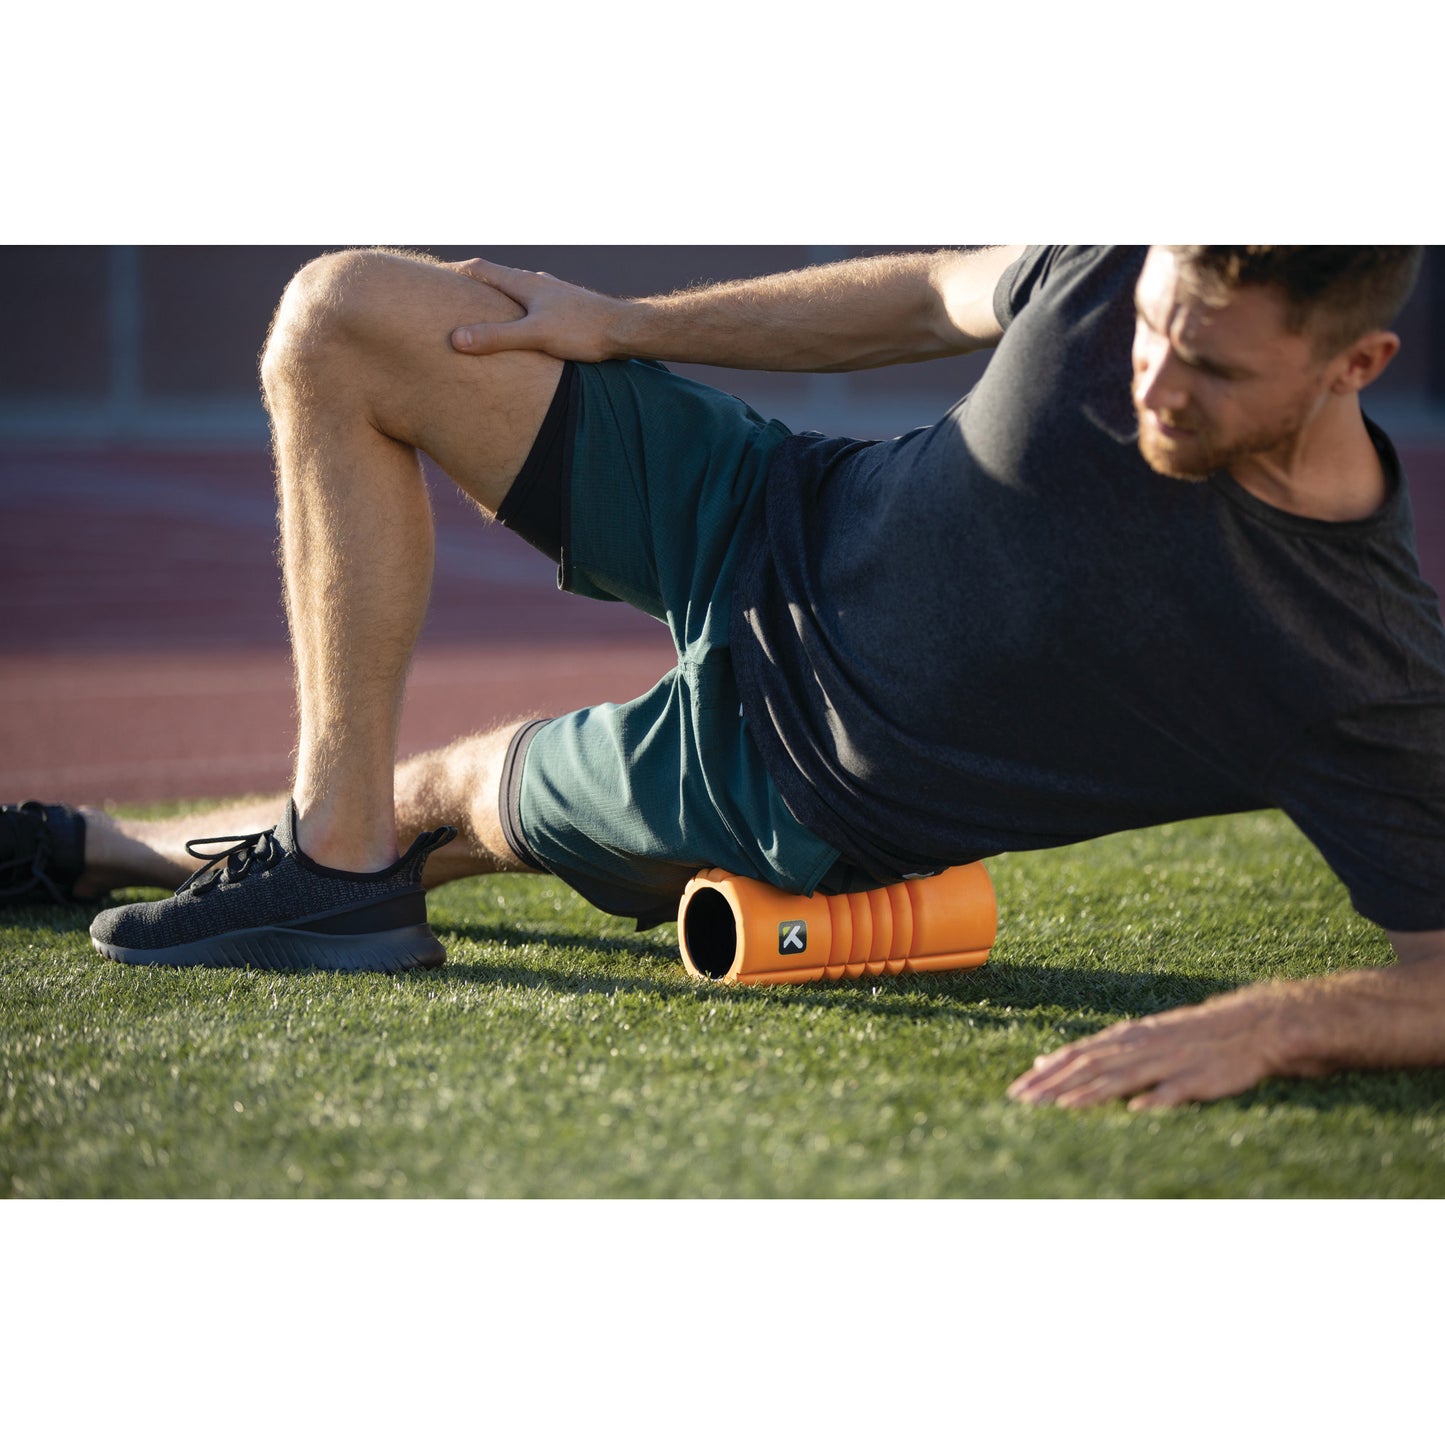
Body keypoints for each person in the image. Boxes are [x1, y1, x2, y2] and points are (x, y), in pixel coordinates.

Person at [4, 244, 1443, 1111]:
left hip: (789, 774)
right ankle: (322, 858)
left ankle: (113, 850)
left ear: (1354, 361)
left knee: (440, 793)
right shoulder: (1128, 268)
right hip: (764, 502)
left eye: (1203, 370)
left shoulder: (1352, 657)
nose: (1148, 380)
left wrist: (1271, 1021)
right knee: (345, 312)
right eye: (1148, 325)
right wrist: (621, 323)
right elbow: (923, 293)